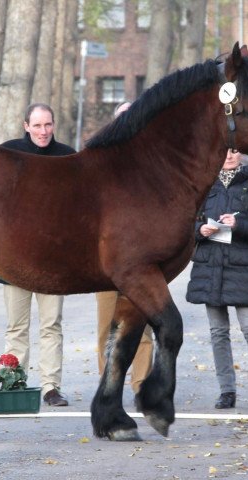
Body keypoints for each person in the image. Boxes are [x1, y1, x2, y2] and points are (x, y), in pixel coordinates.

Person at [186, 149, 248, 410]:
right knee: (218, 333)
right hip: (210, 267)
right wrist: (199, 230)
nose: (228, 155)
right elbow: (185, 222)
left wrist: (239, 226)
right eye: (224, 150)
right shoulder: (202, 184)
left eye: (234, 150)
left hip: (243, 267)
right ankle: (227, 391)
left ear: (242, 154)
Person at [0, 103, 75, 407]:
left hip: (53, 260)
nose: (43, 132)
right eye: (37, 125)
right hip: (14, 257)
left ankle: (50, 386)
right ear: (25, 125)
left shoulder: (68, 156)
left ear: (54, 126)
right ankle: (12, 382)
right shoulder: (8, 154)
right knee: (16, 325)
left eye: (48, 125)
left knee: (51, 324)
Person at [96, 101, 153, 393]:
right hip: (106, 259)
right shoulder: (101, 160)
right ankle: (109, 383)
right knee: (107, 326)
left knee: (140, 324)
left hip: (139, 259)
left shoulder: (152, 164)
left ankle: (141, 383)